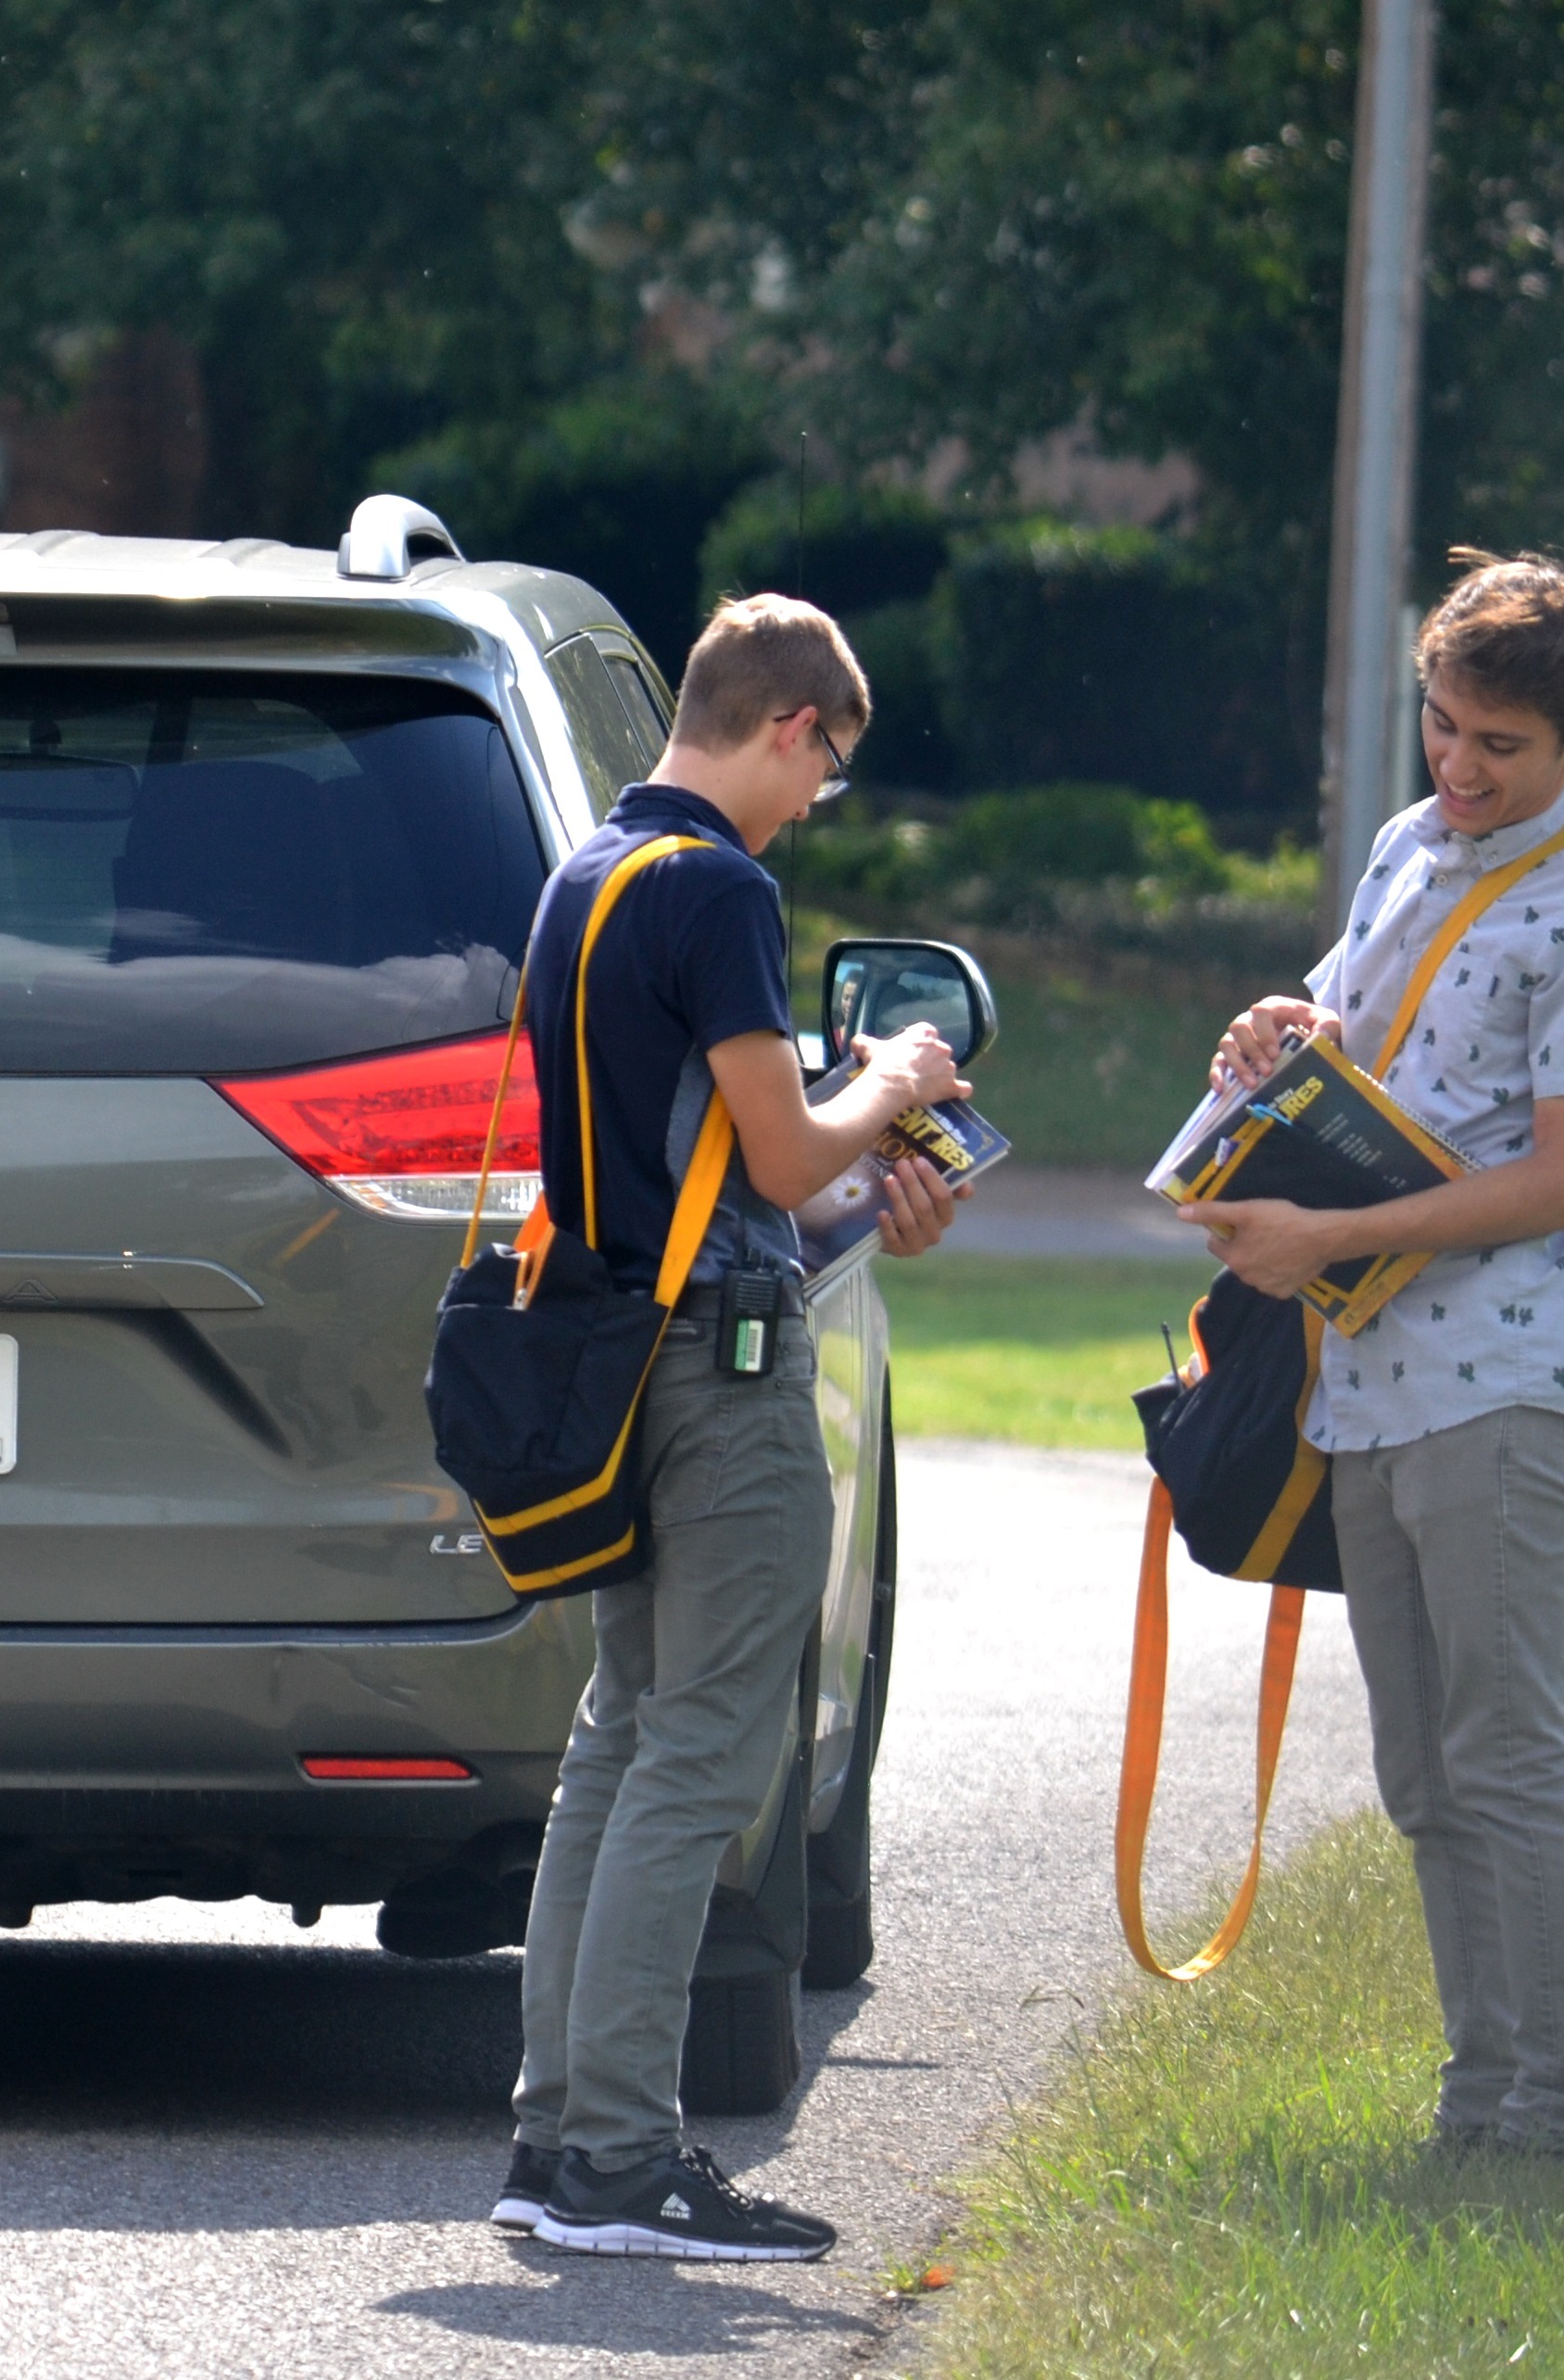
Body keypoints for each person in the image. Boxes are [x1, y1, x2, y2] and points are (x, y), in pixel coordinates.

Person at [1182, 552, 1564, 2164]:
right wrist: (1273, 1041)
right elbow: (1351, 1039)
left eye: (1505, 749)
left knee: (1510, 1752)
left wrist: (1322, 1240)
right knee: (1421, 1769)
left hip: (1506, 1382)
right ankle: (1484, 2103)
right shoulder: (1413, 846)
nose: (1462, 771)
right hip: (1367, 1376)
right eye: (1444, 726)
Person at [497, 594, 972, 2260]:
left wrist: (856, 1150)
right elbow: (780, 1161)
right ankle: (625, 2161)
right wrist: (897, 1079)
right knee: (701, 1749)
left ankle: (557, 2138)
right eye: (827, 770)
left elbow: (713, 1151)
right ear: (789, 728)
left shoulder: (587, 876)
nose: (816, 799)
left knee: (618, 1742)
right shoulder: (720, 888)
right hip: (722, 1373)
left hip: (616, 1353)